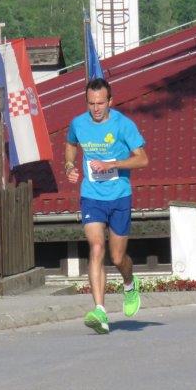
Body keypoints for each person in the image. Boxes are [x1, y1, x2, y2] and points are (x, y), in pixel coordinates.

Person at [65, 77, 149, 334]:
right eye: (91, 103)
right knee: (96, 247)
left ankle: (129, 284)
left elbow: (142, 159)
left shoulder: (124, 125)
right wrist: (69, 165)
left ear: (110, 101)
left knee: (117, 257)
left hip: (119, 195)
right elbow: (70, 144)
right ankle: (100, 311)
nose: (96, 108)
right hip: (92, 195)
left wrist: (112, 164)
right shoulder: (78, 123)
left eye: (100, 103)